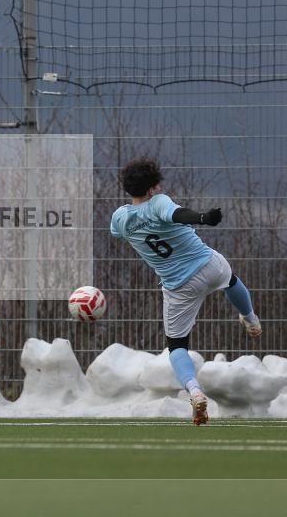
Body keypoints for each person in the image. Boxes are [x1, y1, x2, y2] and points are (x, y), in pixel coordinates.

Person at [109, 158, 262, 426]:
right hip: (207, 265)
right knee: (231, 279)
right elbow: (177, 214)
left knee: (177, 346)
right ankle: (250, 318)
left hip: (179, 287)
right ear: (153, 187)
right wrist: (203, 218)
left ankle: (195, 391)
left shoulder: (120, 219)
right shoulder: (158, 202)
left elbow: (122, 229)